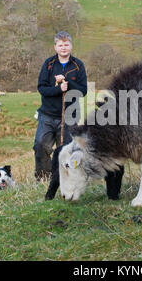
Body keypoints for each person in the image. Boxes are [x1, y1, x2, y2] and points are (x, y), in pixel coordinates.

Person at [33, 31, 88, 181]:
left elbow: (83, 91)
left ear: (71, 46)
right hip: (48, 115)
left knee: (67, 150)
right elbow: (42, 88)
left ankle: (65, 179)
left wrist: (68, 84)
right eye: (60, 45)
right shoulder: (49, 64)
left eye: (66, 44)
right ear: (55, 47)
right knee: (40, 145)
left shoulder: (78, 65)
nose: (63, 48)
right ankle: (44, 179)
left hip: (70, 116)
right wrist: (58, 89)